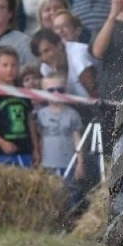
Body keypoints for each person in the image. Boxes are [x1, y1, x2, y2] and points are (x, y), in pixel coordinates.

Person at [0, 48, 38, 167]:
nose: (9, 69)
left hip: (25, 151)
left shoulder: (23, 93)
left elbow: (30, 122)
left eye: (13, 65)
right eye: (5, 65)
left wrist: (36, 148)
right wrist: (2, 143)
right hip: (1, 153)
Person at [37, 69, 86, 205]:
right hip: (48, 164)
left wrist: (80, 163)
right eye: (51, 90)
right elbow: (40, 139)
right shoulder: (41, 114)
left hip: (68, 164)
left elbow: (77, 140)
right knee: (50, 199)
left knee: (71, 198)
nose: (56, 93)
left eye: (60, 90)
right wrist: (39, 159)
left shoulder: (72, 114)